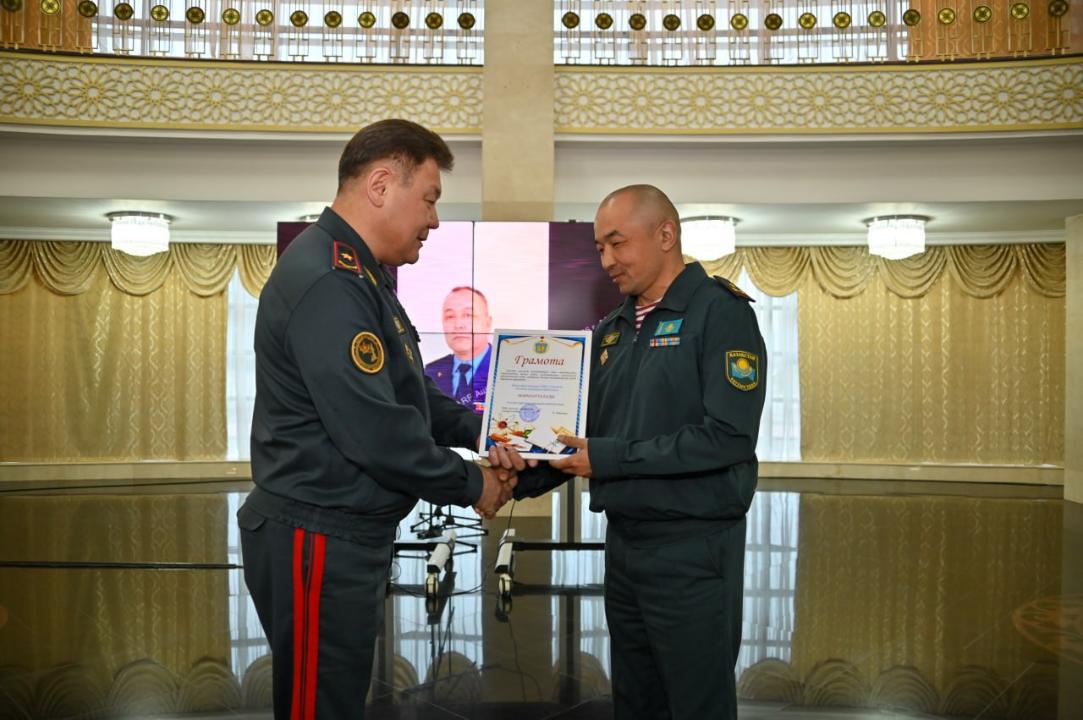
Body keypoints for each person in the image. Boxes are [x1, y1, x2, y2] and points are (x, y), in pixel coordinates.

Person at [237, 119, 520, 719]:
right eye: (430, 200)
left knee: (334, 698)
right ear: (381, 185)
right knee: (319, 707)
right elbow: (374, 431)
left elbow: (410, 394)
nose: (434, 221)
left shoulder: (362, 275)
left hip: (338, 532)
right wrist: (474, 482)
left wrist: (488, 428)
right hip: (317, 533)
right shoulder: (329, 280)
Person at [516, 184, 767, 720]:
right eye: (599, 248)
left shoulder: (720, 313)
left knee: (696, 702)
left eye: (617, 243)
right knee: (635, 699)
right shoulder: (611, 331)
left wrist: (608, 458)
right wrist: (513, 474)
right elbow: (582, 436)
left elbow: (727, 436)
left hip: (692, 547)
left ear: (666, 234)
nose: (606, 260)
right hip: (625, 545)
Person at [424, 286, 493, 414]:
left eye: (468, 315)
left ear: (488, 323)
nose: (458, 325)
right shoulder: (430, 372)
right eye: (450, 317)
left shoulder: (504, 369)